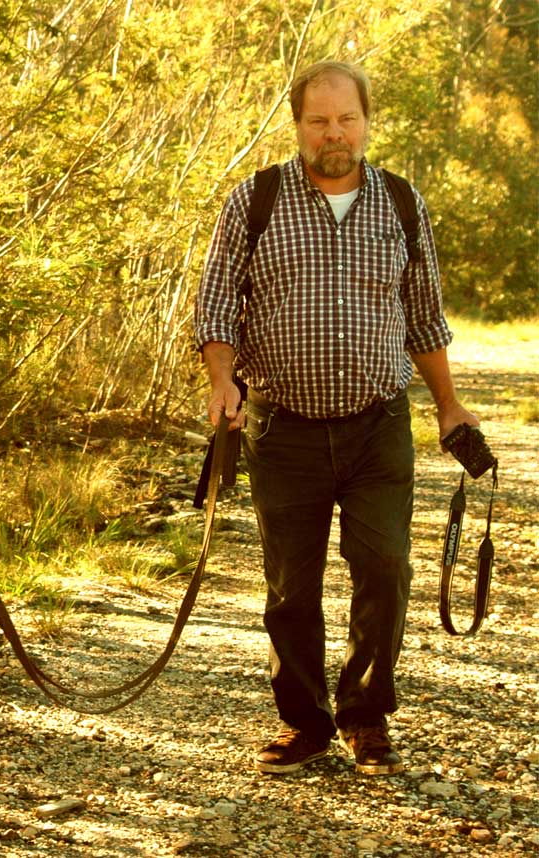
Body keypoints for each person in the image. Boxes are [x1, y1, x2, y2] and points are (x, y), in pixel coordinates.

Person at [194, 60, 479, 776]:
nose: (333, 133)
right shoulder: (254, 200)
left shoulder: (401, 203)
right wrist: (222, 380)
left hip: (376, 425)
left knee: (382, 569)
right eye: (318, 120)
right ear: (297, 125)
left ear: (365, 122)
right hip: (280, 428)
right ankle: (304, 723)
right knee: (290, 584)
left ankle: (364, 716)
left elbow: (423, 317)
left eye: (346, 118)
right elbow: (218, 302)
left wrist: (448, 406)